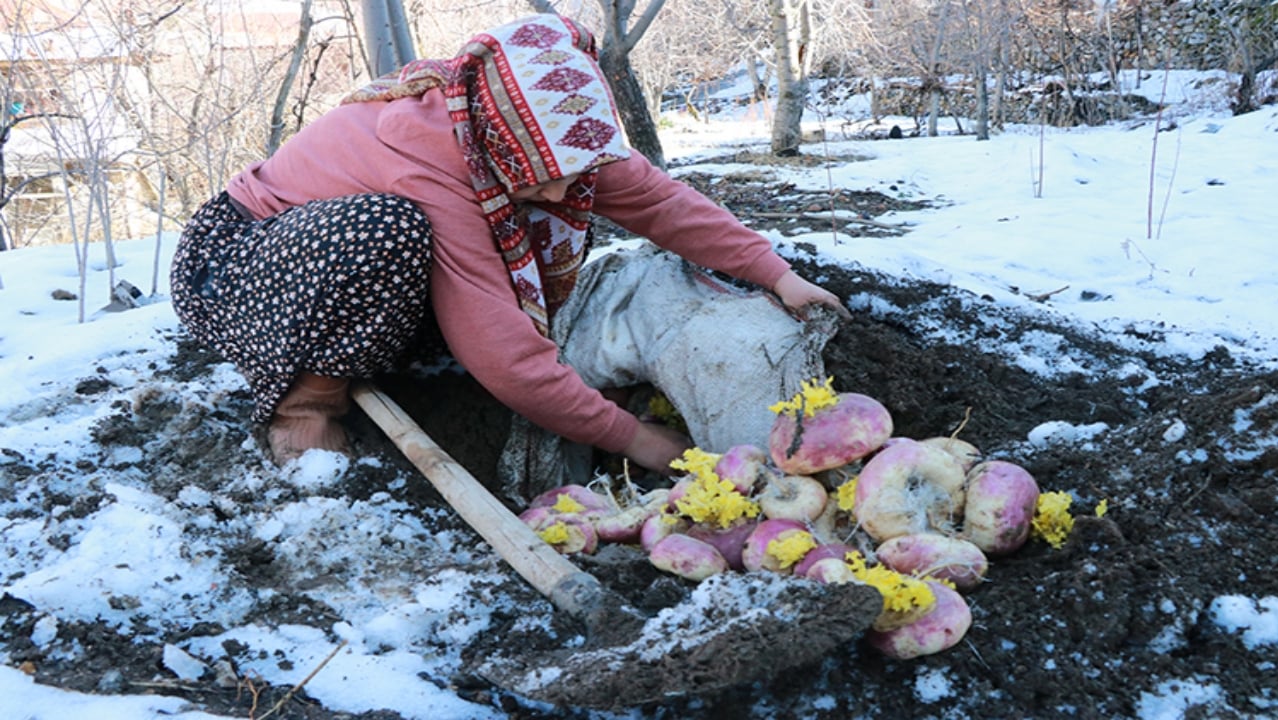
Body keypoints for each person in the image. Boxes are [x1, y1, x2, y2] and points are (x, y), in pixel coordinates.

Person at [170, 13, 848, 473]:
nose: (561, 198)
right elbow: (506, 360)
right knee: (389, 234)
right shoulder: (432, 160)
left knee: (435, 255)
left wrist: (776, 274)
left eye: (572, 180)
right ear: (498, 145)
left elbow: (656, 200)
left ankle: (381, 347)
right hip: (237, 270)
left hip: (332, 275)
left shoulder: (553, 127)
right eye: (542, 183)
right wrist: (637, 441)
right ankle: (304, 405)